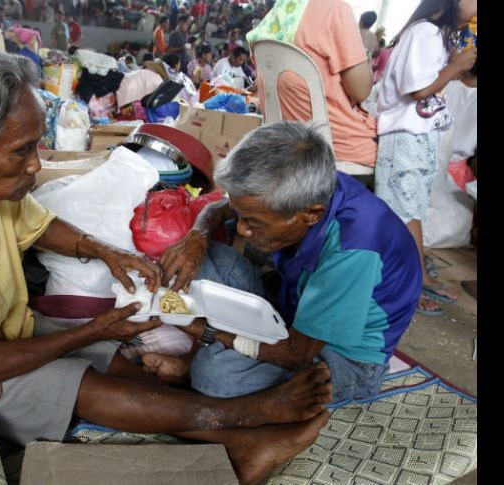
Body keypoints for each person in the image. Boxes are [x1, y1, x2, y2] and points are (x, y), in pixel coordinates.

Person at [0, 45, 332, 485]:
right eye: (21, 151)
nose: (35, 164)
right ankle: (243, 420)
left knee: (113, 359)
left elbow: (39, 225)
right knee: (75, 376)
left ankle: (227, 434)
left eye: (35, 145)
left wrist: (106, 251)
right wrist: (88, 331)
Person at [142, 121, 422, 403]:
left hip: (344, 358)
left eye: (254, 223)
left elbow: (295, 354)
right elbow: (222, 207)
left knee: (214, 375)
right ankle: (229, 346)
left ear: (312, 214)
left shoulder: (353, 248)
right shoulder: (300, 185)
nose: (242, 229)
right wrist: (197, 237)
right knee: (209, 256)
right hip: (291, 311)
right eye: (242, 217)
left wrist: (203, 330)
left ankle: (200, 365)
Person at [374, 0, 477, 316]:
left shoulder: (440, 35)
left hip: (420, 135)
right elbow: (417, 90)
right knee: (399, 212)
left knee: (412, 208)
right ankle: (403, 286)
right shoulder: (425, 32)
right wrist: (455, 66)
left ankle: (416, 276)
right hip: (405, 136)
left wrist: (458, 66)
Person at [247, 0, 377, 169]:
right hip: (333, 145)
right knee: (396, 147)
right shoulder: (336, 10)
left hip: (282, 142)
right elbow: (360, 91)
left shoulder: (276, 13)